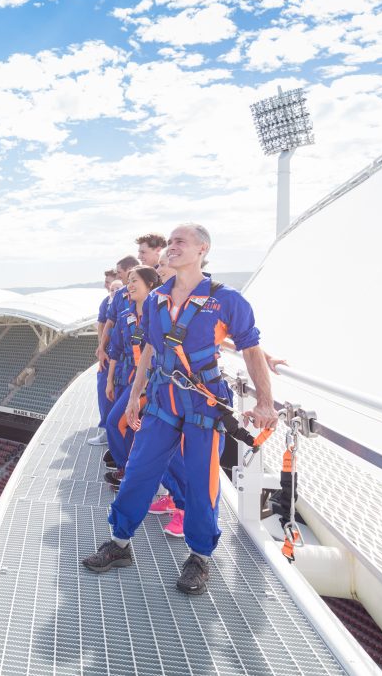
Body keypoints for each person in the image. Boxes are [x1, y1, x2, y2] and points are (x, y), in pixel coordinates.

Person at [82, 223, 278, 595]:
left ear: (201, 249)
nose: (171, 247)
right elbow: (152, 353)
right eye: (169, 242)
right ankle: (120, 544)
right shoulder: (156, 300)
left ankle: (199, 557)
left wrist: (265, 402)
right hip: (160, 403)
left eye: (179, 242)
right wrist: (136, 396)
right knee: (138, 473)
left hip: (203, 406)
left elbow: (250, 348)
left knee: (202, 485)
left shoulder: (227, 300)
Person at [102, 266, 187, 537]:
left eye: (134, 281)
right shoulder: (129, 314)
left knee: (164, 451)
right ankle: (135, 476)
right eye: (127, 281)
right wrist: (110, 379)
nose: (128, 286)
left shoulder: (166, 311)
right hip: (138, 380)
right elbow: (117, 348)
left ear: (152, 284)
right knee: (125, 429)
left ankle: (181, 505)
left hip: (163, 385)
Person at [89, 274, 121, 445]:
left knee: (118, 392)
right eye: (111, 288)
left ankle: (114, 432)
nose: (114, 291)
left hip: (123, 356)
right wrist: (101, 347)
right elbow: (102, 324)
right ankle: (107, 430)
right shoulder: (107, 303)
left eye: (117, 288)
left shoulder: (128, 303)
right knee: (104, 390)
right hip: (109, 355)